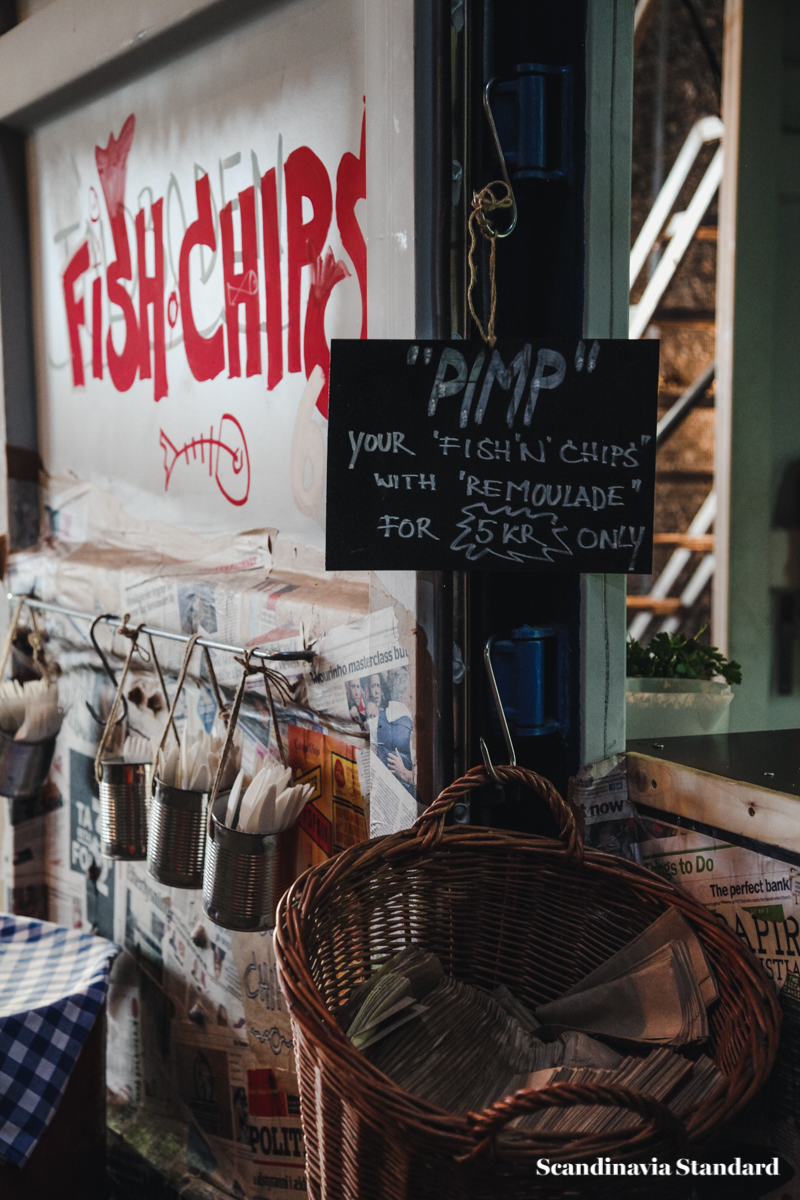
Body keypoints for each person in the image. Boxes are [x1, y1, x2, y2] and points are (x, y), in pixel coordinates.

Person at [370, 668, 417, 799]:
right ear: (401, 698)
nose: (414, 702)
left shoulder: (375, 723)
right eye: (411, 697)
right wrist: (406, 774)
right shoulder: (414, 729)